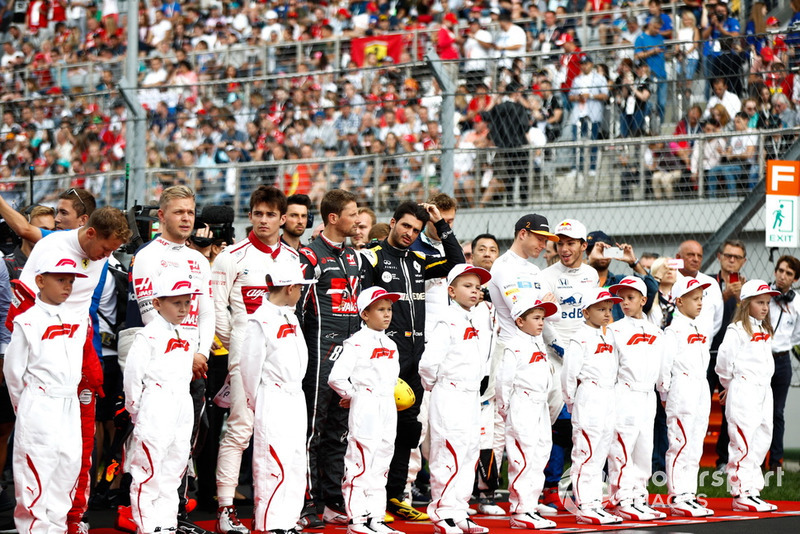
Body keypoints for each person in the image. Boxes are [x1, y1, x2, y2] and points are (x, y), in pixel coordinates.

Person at [15, 206, 131, 534]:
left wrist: (83, 354)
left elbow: (83, 312)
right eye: (106, 249)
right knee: (42, 448)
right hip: (45, 351)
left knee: (79, 443)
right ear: (90, 232)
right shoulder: (50, 248)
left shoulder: (100, 256)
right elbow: (22, 303)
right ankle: (39, 523)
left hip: (82, 348)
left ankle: (72, 518)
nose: (107, 256)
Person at [360, 201, 464, 521]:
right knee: (377, 429)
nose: (410, 234)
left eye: (416, 230)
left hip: (416, 355)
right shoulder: (372, 256)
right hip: (384, 354)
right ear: (392, 223)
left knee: (408, 430)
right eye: (405, 226)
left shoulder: (419, 259)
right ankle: (368, 497)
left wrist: (440, 225)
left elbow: (457, 264)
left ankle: (395, 496)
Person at [212, 185, 299, 534]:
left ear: (282, 219)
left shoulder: (292, 259)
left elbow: (293, 312)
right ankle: (225, 509)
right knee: (240, 430)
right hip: (244, 357)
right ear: (250, 215)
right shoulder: (230, 256)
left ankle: (274, 508)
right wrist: (242, 348)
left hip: (281, 360)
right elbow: (218, 310)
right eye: (258, 214)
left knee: (278, 433)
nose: (263, 220)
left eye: (270, 215)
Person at [5, 256, 90, 534]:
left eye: (71, 280)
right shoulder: (26, 321)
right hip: (39, 402)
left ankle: (58, 528)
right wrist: (30, 407)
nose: (67, 286)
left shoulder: (79, 317)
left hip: (70, 402)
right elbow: (13, 373)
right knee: (37, 473)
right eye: (60, 279)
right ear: (40, 280)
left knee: (67, 469)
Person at [297, 189, 362, 527]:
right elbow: (296, 309)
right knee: (313, 430)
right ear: (334, 218)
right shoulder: (309, 255)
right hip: (320, 353)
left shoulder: (354, 256)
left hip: (349, 355)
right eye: (352, 214)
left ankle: (333, 499)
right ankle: (305, 502)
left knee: (340, 431)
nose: (358, 219)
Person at [125, 271, 201, 534]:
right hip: (155, 402)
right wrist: (136, 410)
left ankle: (167, 524)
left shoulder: (188, 335)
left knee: (175, 467)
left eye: (187, 302)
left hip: (182, 401)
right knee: (148, 467)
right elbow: (133, 376)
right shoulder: (147, 336)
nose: (183, 309)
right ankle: (147, 526)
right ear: (157, 303)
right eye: (176, 303)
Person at [240, 263, 314, 534]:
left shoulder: (290, 316)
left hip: (296, 396)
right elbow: (249, 367)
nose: (302, 293)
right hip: (273, 394)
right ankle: (270, 523)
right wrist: (256, 401)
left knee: (295, 460)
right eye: (300, 288)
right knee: (274, 461)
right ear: (291, 287)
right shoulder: (260, 319)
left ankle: (288, 519)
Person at [419, 264, 492, 534]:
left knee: (469, 451)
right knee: (447, 452)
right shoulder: (447, 320)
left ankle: (459, 510)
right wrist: (437, 387)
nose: (474, 291)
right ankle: (442, 512)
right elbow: (428, 364)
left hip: (471, 395)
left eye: (477, 287)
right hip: (449, 392)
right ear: (451, 291)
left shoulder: (475, 318)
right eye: (467, 286)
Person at [328, 287, 404, 534]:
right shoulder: (355, 342)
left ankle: (376, 518)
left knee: (382, 461)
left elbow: (392, 380)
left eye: (389, 309)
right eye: (380, 309)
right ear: (364, 314)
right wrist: (355, 397)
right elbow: (336, 378)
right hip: (367, 405)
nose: (387, 314)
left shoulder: (391, 343)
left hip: (387, 405)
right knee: (360, 460)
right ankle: (357, 520)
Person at [538, 219, 598, 508]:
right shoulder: (546, 274)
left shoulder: (591, 275)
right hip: (555, 357)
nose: (564, 248)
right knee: (559, 424)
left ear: (583, 245)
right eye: (560, 243)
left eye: (570, 243)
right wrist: (559, 347)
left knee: (585, 422)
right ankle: (550, 487)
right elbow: (543, 316)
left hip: (585, 356)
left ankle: (579, 485)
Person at [715, 280, 779, 512]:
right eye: (760, 302)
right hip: (744, 388)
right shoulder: (737, 331)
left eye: (767, 303)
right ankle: (740, 491)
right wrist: (729, 384)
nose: (765, 307)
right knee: (742, 438)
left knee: (762, 438)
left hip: (764, 390)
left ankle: (752, 489)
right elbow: (723, 363)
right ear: (746, 303)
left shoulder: (764, 330)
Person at [496, 295, 559, 530]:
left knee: (539, 455)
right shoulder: (514, 345)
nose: (541, 322)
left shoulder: (538, 342)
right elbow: (504, 380)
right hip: (522, 402)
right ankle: (519, 508)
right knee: (522, 455)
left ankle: (530, 505)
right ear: (520, 321)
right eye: (536, 318)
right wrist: (505, 408)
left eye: (543, 318)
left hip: (540, 404)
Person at [562, 287, 623, 525]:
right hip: (589, 394)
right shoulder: (580, 337)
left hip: (608, 395)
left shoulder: (608, 335)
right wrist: (571, 400)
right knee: (585, 452)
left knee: (600, 451)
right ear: (586, 312)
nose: (607, 314)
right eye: (601, 309)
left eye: (609, 309)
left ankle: (596, 501)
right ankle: (584, 504)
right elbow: (569, 373)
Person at [607, 276, 665, 521]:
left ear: (644, 300)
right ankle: (622, 496)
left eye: (630, 298)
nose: (624, 302)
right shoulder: (614, 329)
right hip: (625, 392)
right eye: (621, 298)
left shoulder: (656, 331)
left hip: (647, 395)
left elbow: (662, 365)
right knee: (623, 445)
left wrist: (663, 390)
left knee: (644, 447)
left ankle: (640, 495)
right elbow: (611, 367)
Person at [659, 276, 714, 517]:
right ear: (679, 301)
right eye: (694, 299)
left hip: (700, 385)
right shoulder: (673, 330)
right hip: (681, 386)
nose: (699, 303)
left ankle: (689, 492)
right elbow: (665, 365)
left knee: (695, 442)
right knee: (680, 441)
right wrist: (665, 391)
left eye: (701, 298)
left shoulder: (700, 327)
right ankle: (677, 494)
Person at [767, 256, 800, 472]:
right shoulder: (763, 296)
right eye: (780, 270)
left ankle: (775, 462)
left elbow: (797, 336)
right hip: (760, 360)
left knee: (777, 412)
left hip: (782, 361)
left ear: (795, 279)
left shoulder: (796, 303)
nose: (782, 275)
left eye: (788, 273)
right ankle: (753, 459)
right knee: (754, 411)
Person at [567, 56, 608, 186]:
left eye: (586, 64)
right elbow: (570, 96)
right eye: (582, 64)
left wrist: (590, 95)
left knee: (593, 141)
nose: (583, 66)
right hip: (579, 112)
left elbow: (605, 95)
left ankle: (592, 167)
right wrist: (578, 97)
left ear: (591, 64)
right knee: (576, 141)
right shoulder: (577, 79)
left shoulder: (599, 78)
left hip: (593, 113)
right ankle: (576, 167)